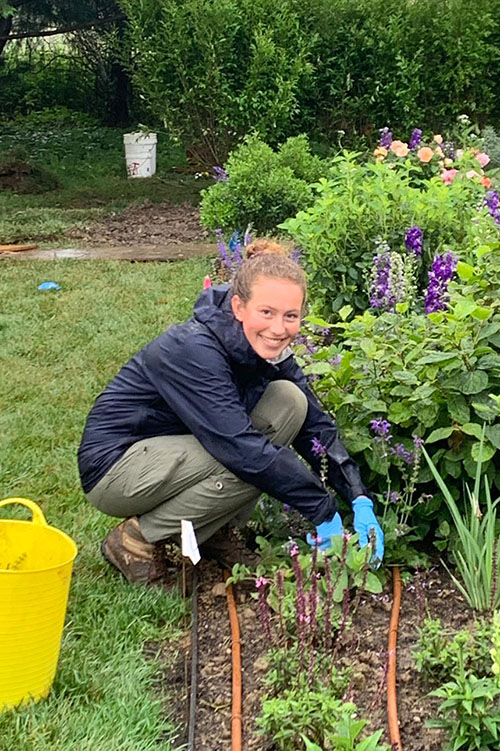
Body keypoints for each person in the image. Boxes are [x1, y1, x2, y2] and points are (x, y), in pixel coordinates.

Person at [77, 238, 384, 585]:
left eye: (291, 316)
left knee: (290, 402)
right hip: (116, 468)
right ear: (239, 307)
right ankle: (136, 539)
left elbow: (314, 424)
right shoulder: (195, 349)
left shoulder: (266, 346)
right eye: (266, 312)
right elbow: (241, 449)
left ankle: (214, 531)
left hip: (175, 448)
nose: (279, 328)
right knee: (252, 460)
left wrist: (359, 498)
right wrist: (322, 510)